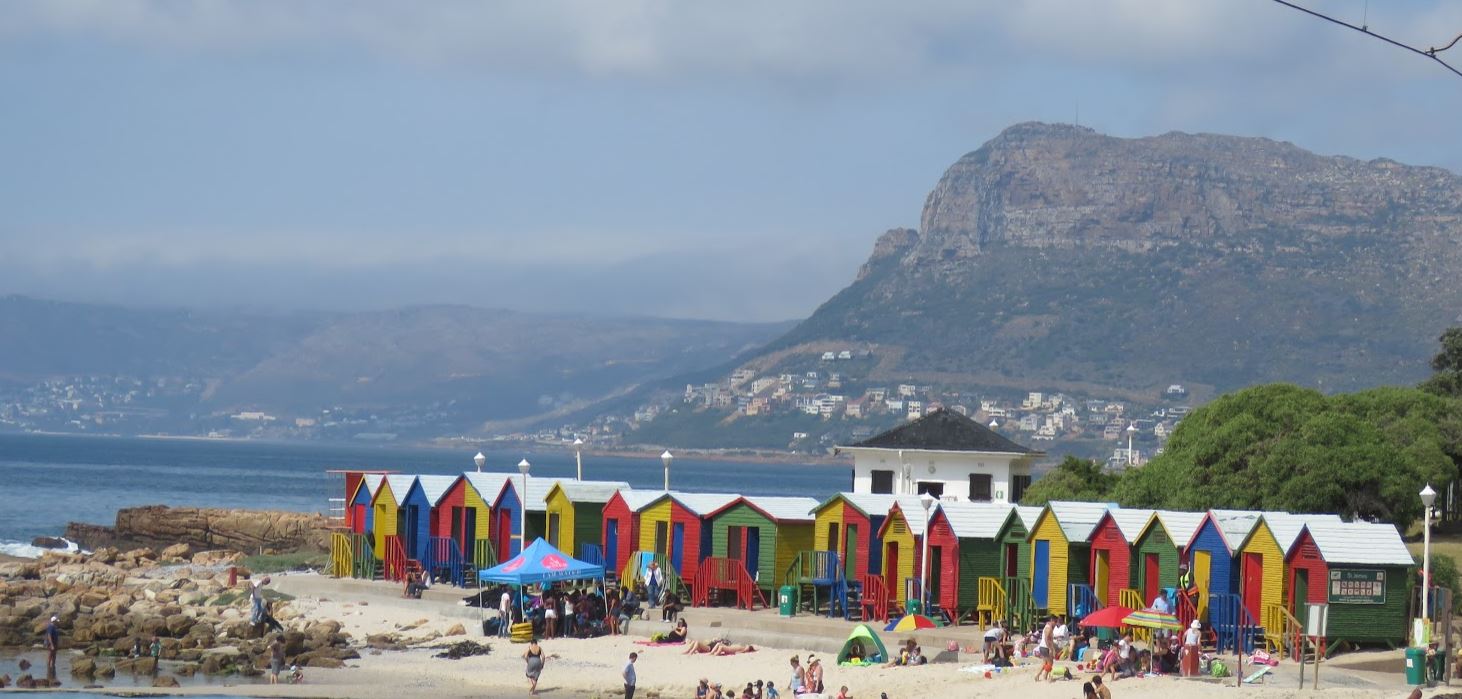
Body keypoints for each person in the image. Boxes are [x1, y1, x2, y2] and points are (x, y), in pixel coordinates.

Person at [1034, 617, 1055, 682]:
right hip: (1045, 647)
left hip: (1042, 646)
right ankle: (1047, 676)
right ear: (1052, 621)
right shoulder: (1049, 628)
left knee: (1044, 663)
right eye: (1055, 622)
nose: (1055, 624)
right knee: (1050, 663)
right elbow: (1047, 639)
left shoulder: (1046, 627)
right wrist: (1050, 648)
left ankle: (1038, 675)